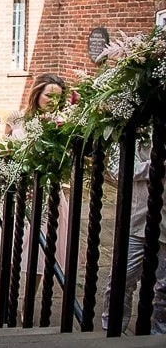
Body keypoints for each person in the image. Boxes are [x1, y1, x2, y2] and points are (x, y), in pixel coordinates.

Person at [101, 134, 166, 334]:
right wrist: (156, 166)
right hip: (138, 221)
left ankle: (158, 335)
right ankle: (111, 331)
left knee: (164, 289)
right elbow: (117, 168)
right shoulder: (134, 128)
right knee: (121, 281)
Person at [7, 74, 69, 281]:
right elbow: (6, 151)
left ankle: (27, 307)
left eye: (58, 98)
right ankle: (6, 302)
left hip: (47, 195)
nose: (52, 102)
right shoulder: (17, 118)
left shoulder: (61, 125)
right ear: (37, 94)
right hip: (19, 193)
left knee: (40, 253)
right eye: (48, 96)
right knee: (12, 248)